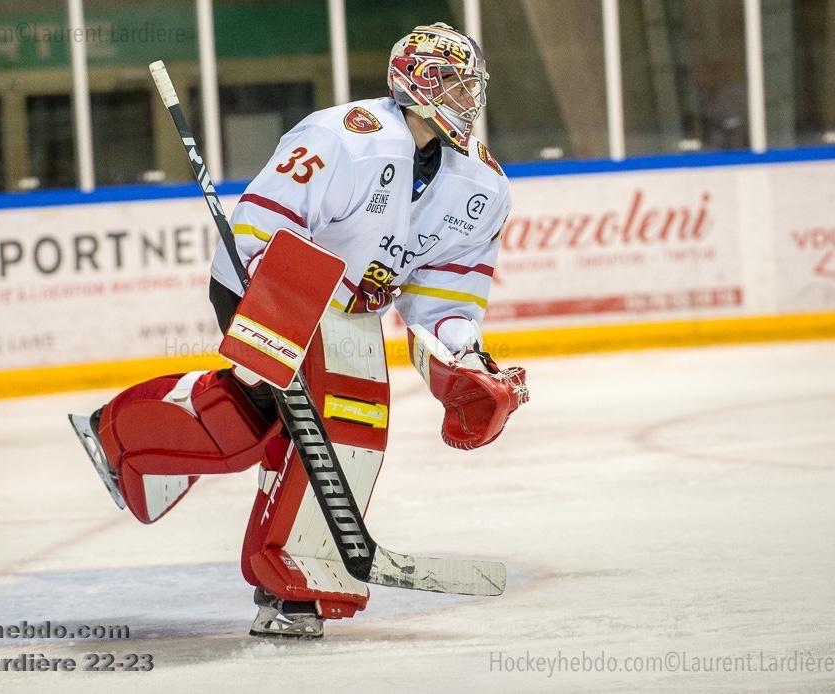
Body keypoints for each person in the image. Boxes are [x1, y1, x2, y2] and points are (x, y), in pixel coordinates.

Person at [69, 22, 528, 640]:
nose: (466, 96)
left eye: (470, 83)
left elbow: (446, 290)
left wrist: (461, 355)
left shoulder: (484, 185)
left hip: (351, 311)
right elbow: (265, 222)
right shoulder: (342, 137)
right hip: (272, 283)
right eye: (451, 81)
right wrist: (274, 319)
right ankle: (125, 432)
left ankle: (289, 585)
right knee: (265, 420)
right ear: (414, 82)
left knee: (342, 433)